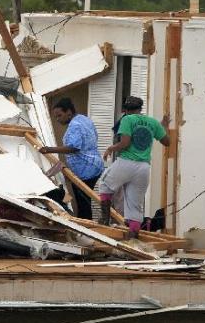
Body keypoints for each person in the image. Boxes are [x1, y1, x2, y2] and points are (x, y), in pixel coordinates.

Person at [99, 96, 171, 237]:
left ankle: (104, 220)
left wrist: (111, 148)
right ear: (140, 108)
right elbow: (167, 142)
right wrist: (163, 127)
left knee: (105, 185)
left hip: (126, 162)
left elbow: (125, 143)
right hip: (143, 168)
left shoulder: (127, 119)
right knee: (134, 205)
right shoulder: (152, 122)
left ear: (125, 110)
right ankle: (133, 238)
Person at [40, 97, 104, 219]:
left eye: (59, 115)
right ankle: (86, 225)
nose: (58, 119)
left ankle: (86, 228)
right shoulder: (84, 119)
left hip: (86, 170)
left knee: (83, 203)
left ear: (68, 112)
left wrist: (49, 149)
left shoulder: (75, 125)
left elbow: (74, 147)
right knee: (84, 201)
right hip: (93, 165)